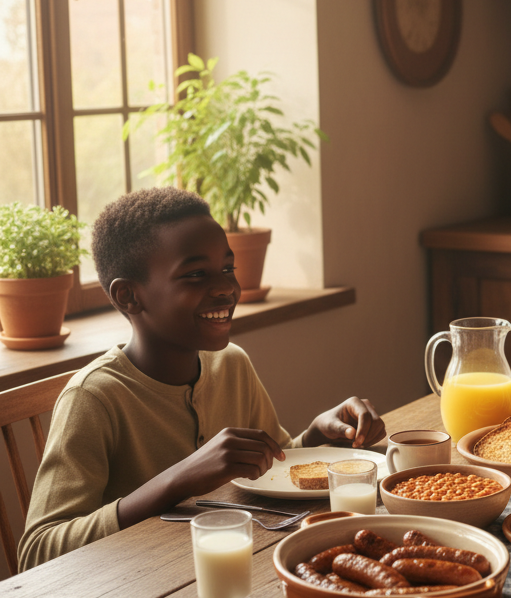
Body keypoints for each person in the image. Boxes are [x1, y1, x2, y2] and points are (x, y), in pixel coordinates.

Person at [19, 188, 386, 571]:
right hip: (132, 597)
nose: (226, 287)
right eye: (195, 274)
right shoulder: (93, 398)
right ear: (129, 296)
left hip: (228, 569)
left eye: (228, 269)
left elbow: (274, 462)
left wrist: (314, 437)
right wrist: (178, 479)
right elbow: (38, 550)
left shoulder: (231, 364)